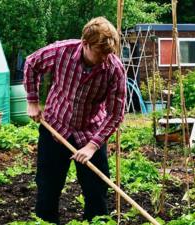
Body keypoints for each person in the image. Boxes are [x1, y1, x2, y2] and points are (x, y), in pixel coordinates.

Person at [23, 17, 126, 224]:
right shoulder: (62, 51)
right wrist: (32, 102)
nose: (105, 58)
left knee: (97, 193)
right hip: (55, 128)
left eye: (109, 53)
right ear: (85, 43)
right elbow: (31, 63)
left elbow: (116, 114)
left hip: (89, 132)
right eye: (100, 53)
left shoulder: (114, 69)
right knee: (47, 189)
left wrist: (92, 146)